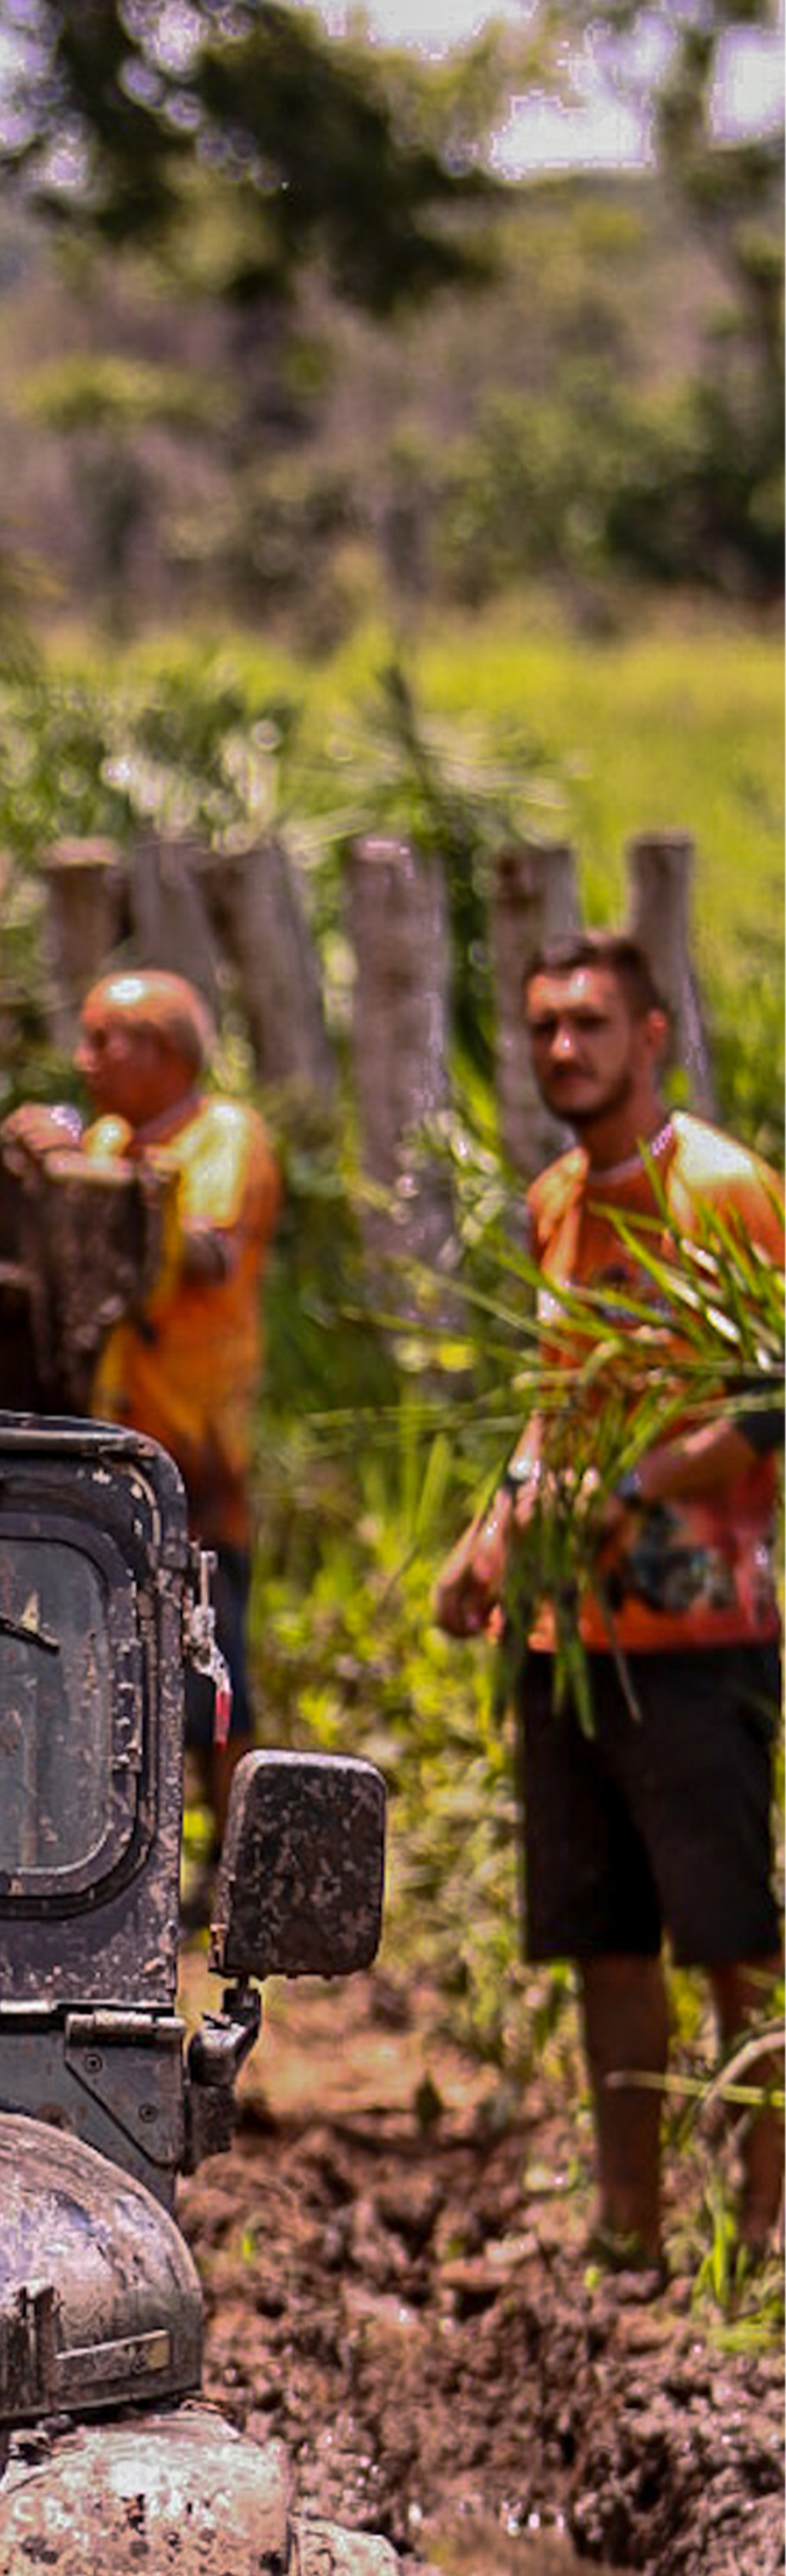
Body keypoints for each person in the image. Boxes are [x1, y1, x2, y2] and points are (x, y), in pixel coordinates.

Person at [430, 929, 783, 2270]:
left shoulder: (725, 1188)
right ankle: (629, 2237)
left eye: (589, 1022)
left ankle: (762, 2235)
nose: (563, 1048)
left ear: (653, 1034)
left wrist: (625, 1490)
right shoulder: (557, 1200)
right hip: (571, 1635)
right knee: (604, 1946)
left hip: (702, 1631)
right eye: (543, 1027)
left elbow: (766, 1405)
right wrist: (490, 1532)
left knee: (734, 1939)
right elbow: (553, 1402)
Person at [6, 970, 282, 1883]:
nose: (84, 1061)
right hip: (114, 1436)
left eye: (103, 1041)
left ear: (162, 1052)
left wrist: (97, 1174)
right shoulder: (123, 1137)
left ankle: (238, 1856)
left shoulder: (224, 1138)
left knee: (213, 1647)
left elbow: (202, 1245)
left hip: (194, 1443)